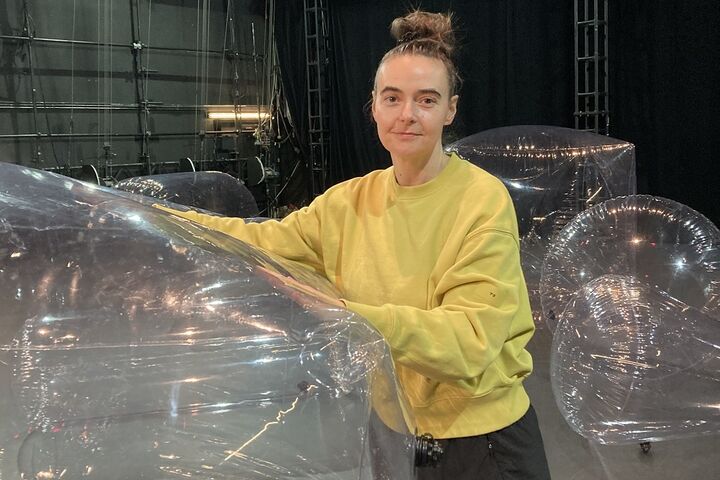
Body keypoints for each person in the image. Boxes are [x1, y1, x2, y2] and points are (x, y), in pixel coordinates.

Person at [158, 9, 550, 480]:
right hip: (394, 429)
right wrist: (164, 219)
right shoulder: (352, 200)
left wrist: (347, 313)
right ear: (374, 106)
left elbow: (470, 342)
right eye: (393, 98)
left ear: (450, 109)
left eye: (427, 99)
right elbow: (267, 239)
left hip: (481, 444)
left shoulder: (481, 201)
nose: (407, 114)